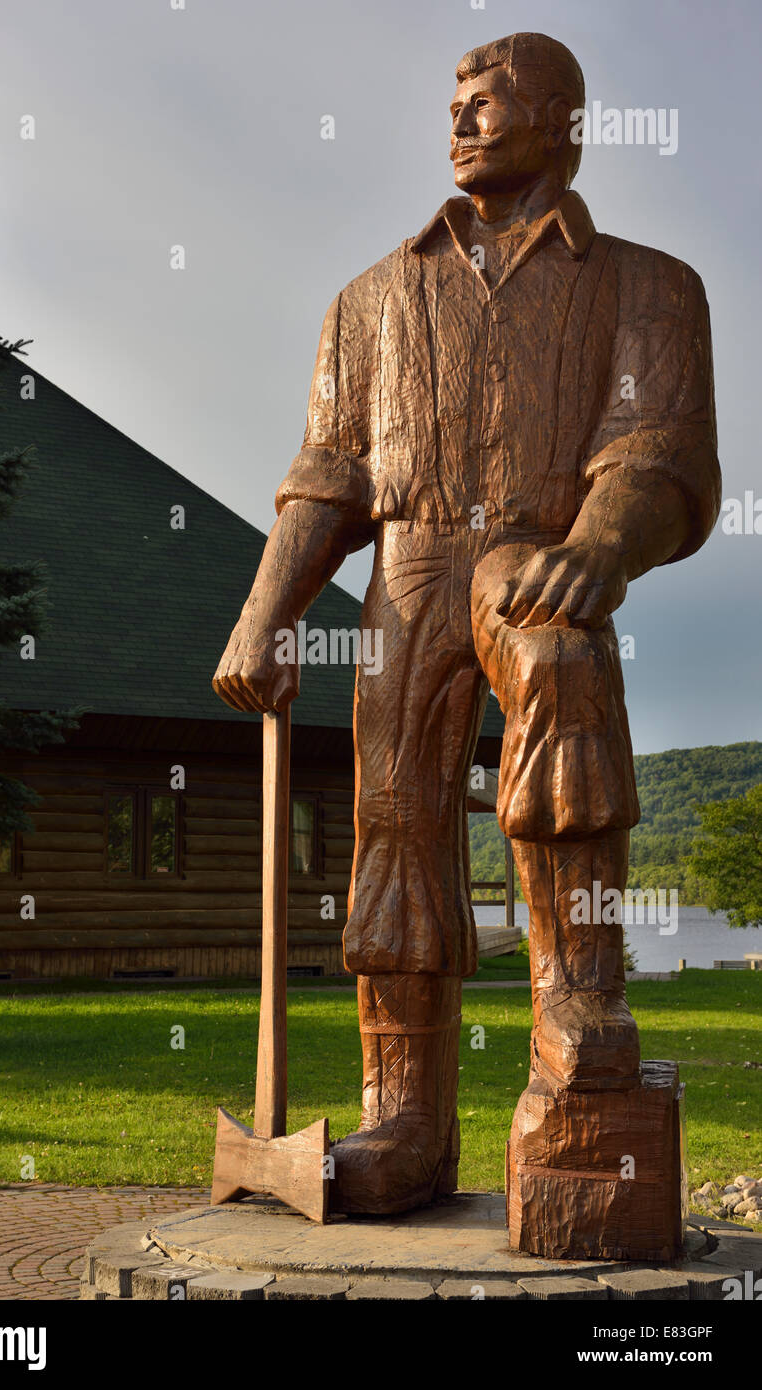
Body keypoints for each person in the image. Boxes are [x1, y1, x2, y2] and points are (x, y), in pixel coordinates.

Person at [213, 32, 720, 1214]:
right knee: (392, 819)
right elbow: (326, 474)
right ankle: (404, 1118)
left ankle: (578, 1005)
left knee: (558, 659)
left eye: (487, 102)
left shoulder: (649, 286)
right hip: (407, 569)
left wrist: (600, 544)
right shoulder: (373, 299)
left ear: (561, 121)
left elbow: (659, 452)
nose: (460, 119)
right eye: (453, 101)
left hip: (538, 548)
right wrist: (266, 611)